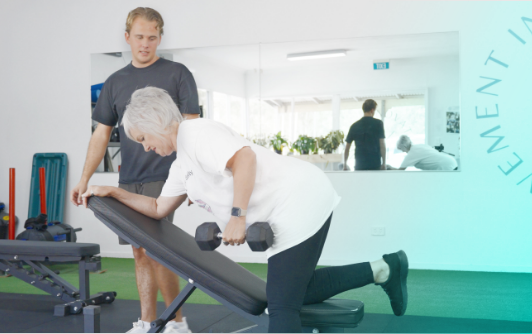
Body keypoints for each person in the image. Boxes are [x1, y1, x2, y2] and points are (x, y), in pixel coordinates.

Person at [80, 87, 409, 333]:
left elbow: (244, 158)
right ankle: (384, 269)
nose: (145, 147)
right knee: (297, 289)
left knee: (281, 307)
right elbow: (156, 207)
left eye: (142, 138)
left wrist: (237, 215)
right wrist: (113, 191)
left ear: (155, 120)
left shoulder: (197, 133)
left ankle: (385, 270)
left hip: (298, 199)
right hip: (295, 204)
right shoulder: (182, 164)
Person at [70, 8, 199, 333]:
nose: (145, 44)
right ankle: (145, 322)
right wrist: (84, 179)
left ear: (160, 38)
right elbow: (101, 134)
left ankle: (176, 323)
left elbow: (193, 128)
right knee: (139, 253)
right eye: (139, 37)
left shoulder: (178, 73)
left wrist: (194, 179)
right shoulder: (115, 82)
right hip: (128, 178)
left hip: (166, 176)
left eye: (152, 37)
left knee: (157, 253)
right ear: (127, 37)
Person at [344, 99, 387, 171]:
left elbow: (347, 148)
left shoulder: (354, 126)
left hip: (360, 165)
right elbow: (382, 144)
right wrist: (384, 163)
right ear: (372, 110)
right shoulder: (378, 124)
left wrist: (345, 164)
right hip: (375, 164)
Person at [387, 135, 458, 171]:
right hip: (452, 161)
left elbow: (400, 171)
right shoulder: (419, 146)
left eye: (401, 149)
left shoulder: (411, 154)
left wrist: (390, 167)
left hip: (446, 167)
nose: (402, 151)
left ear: (404, 146)